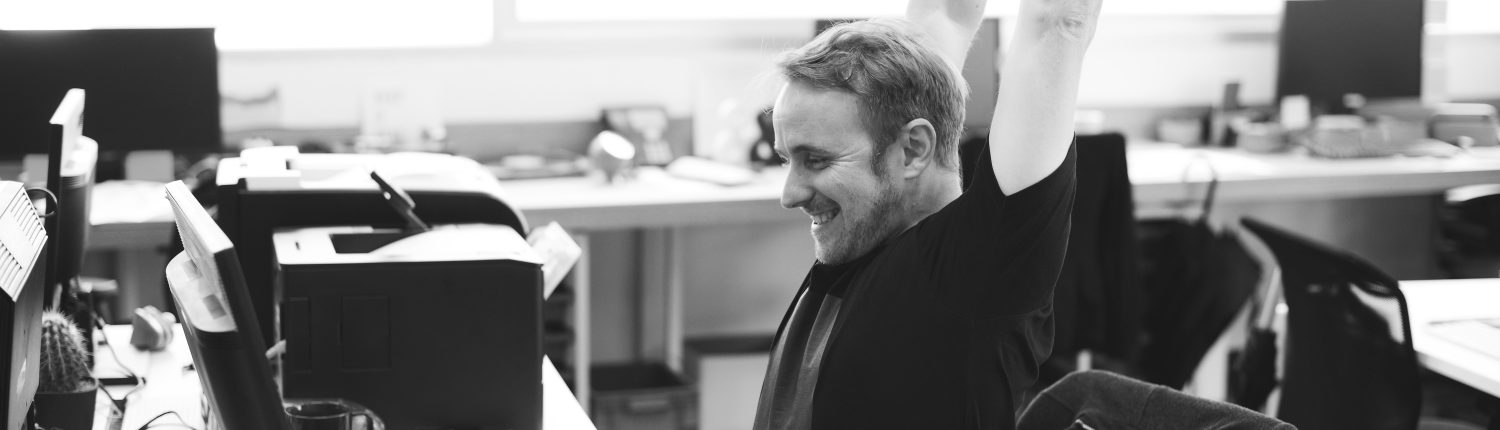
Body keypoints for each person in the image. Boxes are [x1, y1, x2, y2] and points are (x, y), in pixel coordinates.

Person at [753, 0, 1102, 427]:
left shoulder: (977, 268)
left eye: (817, 160)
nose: (790, 195)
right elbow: (946, 12)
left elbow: (1058, 22)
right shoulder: (869, 227)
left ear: (913, 150)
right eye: (788, 159)